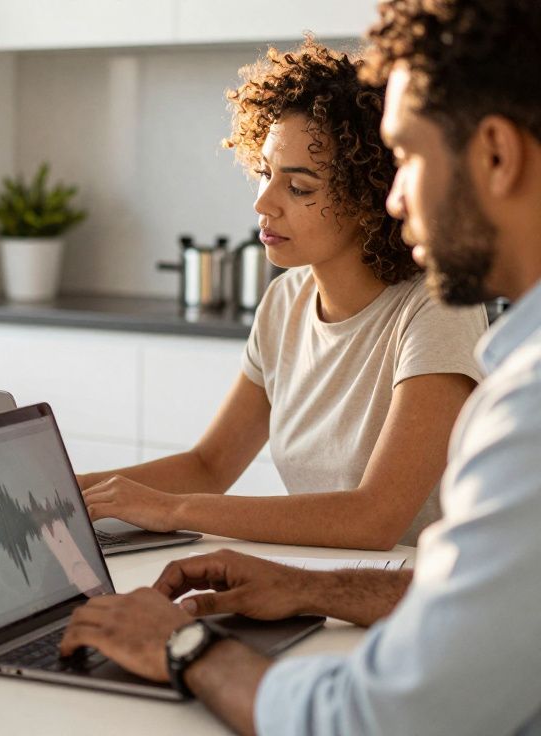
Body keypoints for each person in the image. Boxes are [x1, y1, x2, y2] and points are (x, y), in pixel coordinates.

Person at [60, 1, 541, 733]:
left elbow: (376, 712)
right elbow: (492, 596)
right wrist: (305, 585)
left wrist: (185, 643)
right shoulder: (288, 303)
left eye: (406, 158)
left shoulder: (508, 392)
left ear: (498, 155)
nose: (396, 195)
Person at [76, 38, 487, 550]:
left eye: (299, 188)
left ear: (370, 197)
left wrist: (172, 510)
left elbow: (374, 518)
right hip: (317, 580)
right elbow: (209, 466)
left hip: (412, 598)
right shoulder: (284, 302)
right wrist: (70, 494)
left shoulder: (435, 311)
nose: (263, 203)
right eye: (266, 173)